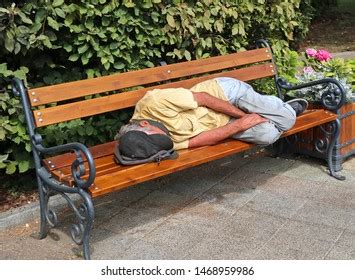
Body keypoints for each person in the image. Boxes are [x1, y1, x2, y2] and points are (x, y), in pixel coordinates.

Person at [114, 77, 308, 164]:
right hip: (225, 122)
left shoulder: (155, 103)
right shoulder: (159, 144)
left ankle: (285, 108)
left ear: (145, 124)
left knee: (287, 118)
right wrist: (240, 125)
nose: (166, 136)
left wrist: (243, 116)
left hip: (226, 95)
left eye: (160, 136)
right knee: (267, 135)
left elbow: (206, 98)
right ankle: (273, 109)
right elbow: (202, 139)